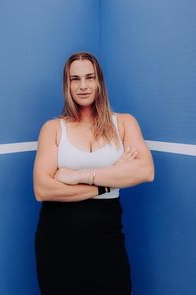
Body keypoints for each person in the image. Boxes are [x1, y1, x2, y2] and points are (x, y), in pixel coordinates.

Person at [33, 51, 154, 295]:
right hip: (57, 240)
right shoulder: (53, 128)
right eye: (74, 79)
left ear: (100, 81)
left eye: (90, 77)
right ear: (67, 85)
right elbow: (43, 189)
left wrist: (80, 175)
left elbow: (145, 171)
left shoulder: (124, 123)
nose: (83, 86)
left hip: (106, 238)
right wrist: (111, 178)